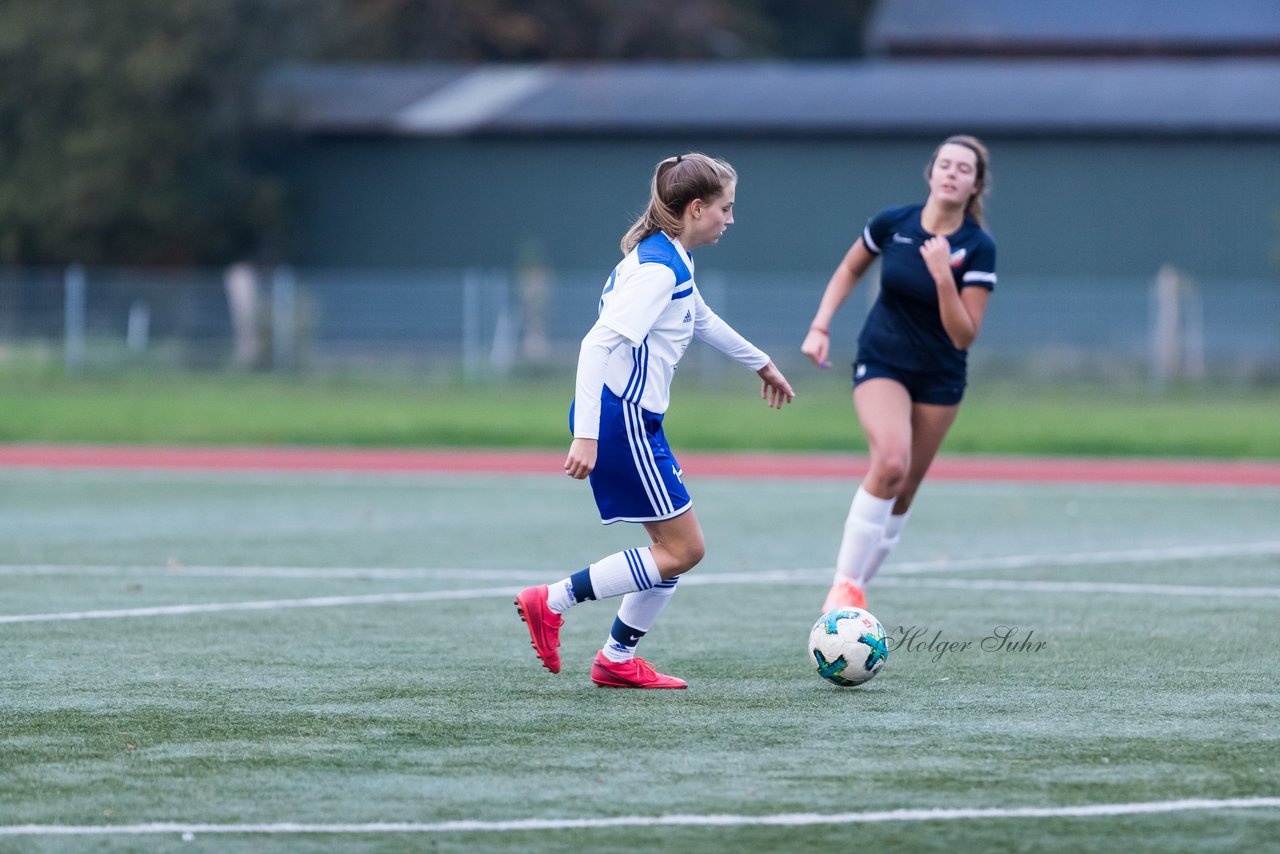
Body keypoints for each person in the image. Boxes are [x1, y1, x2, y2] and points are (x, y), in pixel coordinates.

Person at [515, 152, 795, 689]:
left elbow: (701, 318)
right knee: (684, 550)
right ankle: (551, 602)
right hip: (622, 422)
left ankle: (617, 660)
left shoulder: (670, 256)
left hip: (632, 420)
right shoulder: (657, 270)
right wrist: (587, 434)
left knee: (671, 552)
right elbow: (595, 345)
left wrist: (761, 362)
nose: (730, 220)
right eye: (726, 208)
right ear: (695, 208)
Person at [801, 135, 996, 613]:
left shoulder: (978, 247)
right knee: (890, 463)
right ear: (930, 173)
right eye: (945, 164)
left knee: (904, 489)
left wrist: (943, 277)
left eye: (963, 169)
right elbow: (849, 269)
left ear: (975, 185)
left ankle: (851, 596)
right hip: (882, 361)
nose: (952, 173)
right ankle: (843, 587)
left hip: (940, 376)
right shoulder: (893, 223)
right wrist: (820, 324)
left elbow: (963, 335)